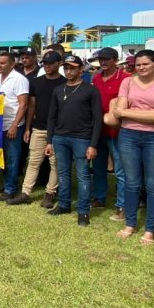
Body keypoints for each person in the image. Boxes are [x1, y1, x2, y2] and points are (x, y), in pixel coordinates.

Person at [112, 50, 154, 244]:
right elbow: (118, 112)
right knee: (132, 183)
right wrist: (152, 115)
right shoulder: (127, 82)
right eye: (138, 65)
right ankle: (130, 223)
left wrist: (127, 112)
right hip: (129, 136)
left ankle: (150, 229)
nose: (141, 68)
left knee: (153, 184)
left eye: (145, 64)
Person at [45, 55, 101, 226]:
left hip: (82, 138)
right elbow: (52, 116)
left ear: (81, 69)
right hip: (60, 137)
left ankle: (83, 211)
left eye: (72, 68)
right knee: (63, 173)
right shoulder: (58, 90)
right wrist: (49, 140)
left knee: (83, 175)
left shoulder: (90, 90)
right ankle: (64, 204)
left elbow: (98, 119)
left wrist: (93, 144)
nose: (68, 71)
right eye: (66, 68)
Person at [16, 51, 64, 206]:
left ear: (59, 63)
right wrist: (28, 127)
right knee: (33, 161)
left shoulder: (65, 83)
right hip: (38, 128)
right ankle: (25, 192)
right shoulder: (36, 82)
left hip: (58, 130)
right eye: (45, 63)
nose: (47, 66)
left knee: (55, 164)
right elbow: (31, 106)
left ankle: (50, 193)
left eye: (51, 63)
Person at [90, 47, 128, 221]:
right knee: (98, 167)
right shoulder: (96, 78)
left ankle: (122, 205)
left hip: (118, 130)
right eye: (101, 59)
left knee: (120, 170)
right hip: (98, 129)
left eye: (107, 59)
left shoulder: (125, 78)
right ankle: (99, 197)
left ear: (115, 60)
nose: (103, 62)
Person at [0, 52, 29, 203]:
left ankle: (10, 189)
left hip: (13, 125)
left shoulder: (19, 79)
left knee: (13, 158)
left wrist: (14, 125)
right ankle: (7, 184)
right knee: (3, 158)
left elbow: (23, 104)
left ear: (12, 64)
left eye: (3, 63)